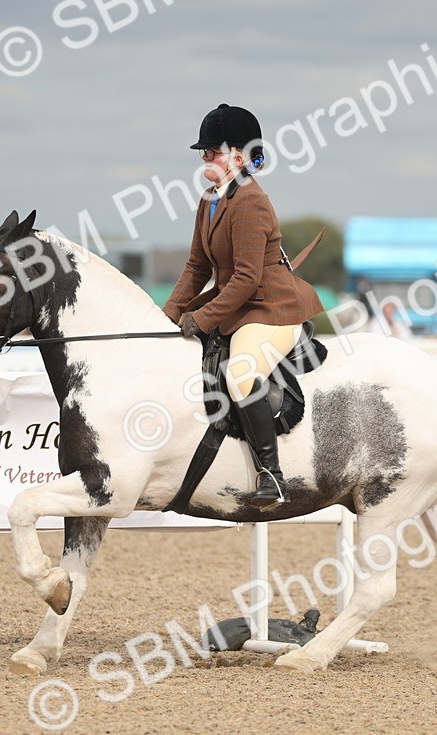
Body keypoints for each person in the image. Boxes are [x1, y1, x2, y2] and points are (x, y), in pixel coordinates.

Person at [163, 104, 324, 507]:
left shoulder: (250, 201)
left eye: (212, 152)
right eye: (202, 152)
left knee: (240, 374)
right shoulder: (210, 199)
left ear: (238, 156)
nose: (204, 158)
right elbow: (197, 266)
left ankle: (272, 476)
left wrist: (202, 317)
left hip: (270, 309)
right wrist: (167, 315)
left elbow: (247, 278)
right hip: (239, 306)